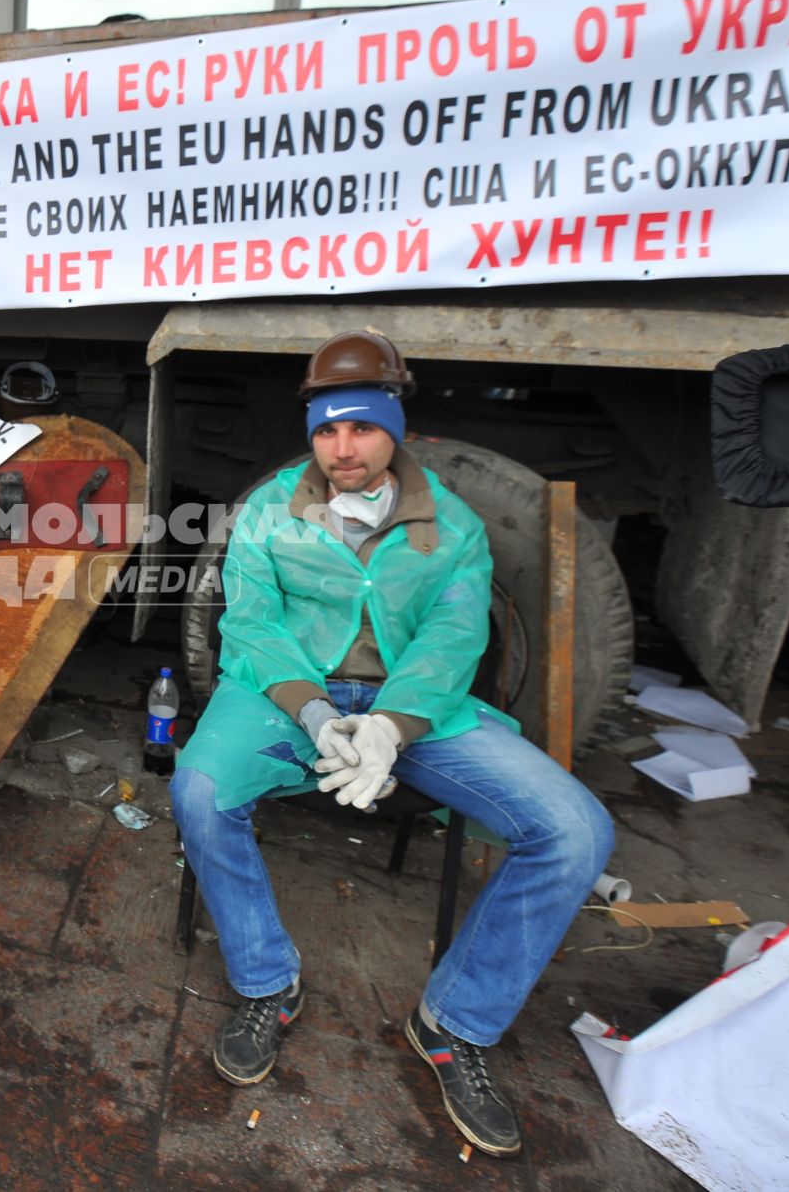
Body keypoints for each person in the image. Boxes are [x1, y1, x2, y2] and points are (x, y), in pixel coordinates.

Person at [171, 330, 613, 1158]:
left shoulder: (454, 524)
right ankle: (269, 982)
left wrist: (390, 724)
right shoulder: (271, 508)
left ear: (394, 429)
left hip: (417, 713)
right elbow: (252, 625)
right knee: (198, 788)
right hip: (285, 701)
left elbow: (452, 638)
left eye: (363, 429)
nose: (344, 448)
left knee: (577, 829)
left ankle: (453, 1023)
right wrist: (311, 713)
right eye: (329, 430)